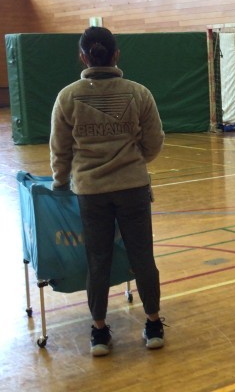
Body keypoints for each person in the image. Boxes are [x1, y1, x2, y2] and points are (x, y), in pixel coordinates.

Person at [49, 26, 166, 356]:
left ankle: (99, 332)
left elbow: (60, 149)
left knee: (97, 260)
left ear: (82, 57)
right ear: (116, 55)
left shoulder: (67, 96)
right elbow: (154, 141)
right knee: (142, 257)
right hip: (133, 188)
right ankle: (153, 325)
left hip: (91, 192)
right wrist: (134, 162)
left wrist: (60, 182)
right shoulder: (139, 93)